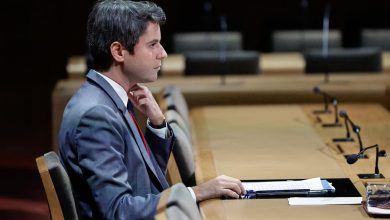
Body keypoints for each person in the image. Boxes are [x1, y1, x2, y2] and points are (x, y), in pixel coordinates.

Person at [59, 0, 245, 219]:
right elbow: (118, 210)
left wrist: (157, 124)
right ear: (119, 51)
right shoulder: (96, 115)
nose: (163, 53)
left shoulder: (107, 98)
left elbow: (144, 182)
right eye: (152, 44)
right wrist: (196, 192)